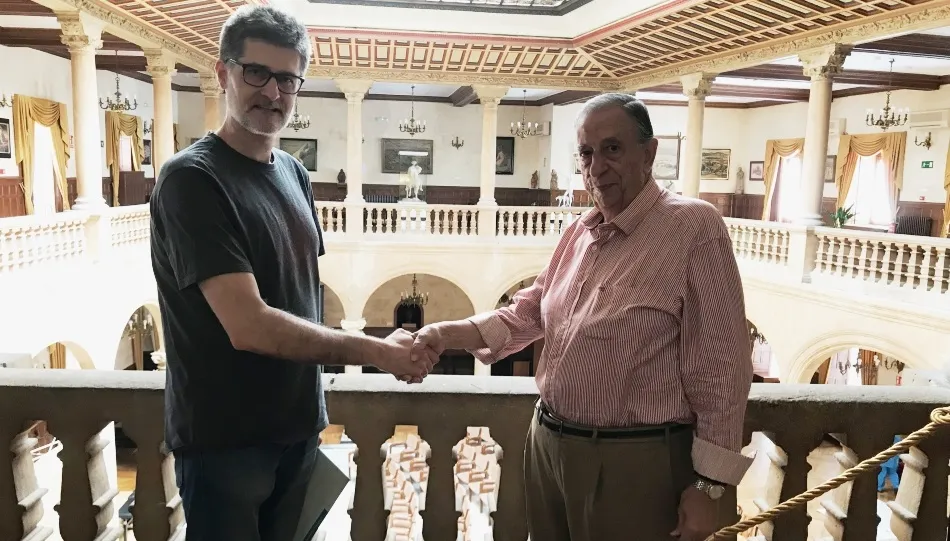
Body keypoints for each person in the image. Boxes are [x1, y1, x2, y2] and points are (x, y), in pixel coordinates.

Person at [410, 93, 753, 541]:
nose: (596, 167)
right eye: (587, 153)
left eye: (613, 149)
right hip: (549, 447)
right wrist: (445, 333)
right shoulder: (580, 230)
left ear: (649, 153)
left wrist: (710, 486)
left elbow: (722, 369)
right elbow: (530, 311)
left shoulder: (694, 228)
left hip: (634, 463)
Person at [149, 6, 432, 541]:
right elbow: (249, 325)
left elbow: (301, 293)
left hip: (298, 430)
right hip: (225, 444)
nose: (273, 93)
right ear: (223, 72)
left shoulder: (293, 173)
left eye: (287, 79)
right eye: (256, 73)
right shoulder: (192, 179)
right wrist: (376, 350)